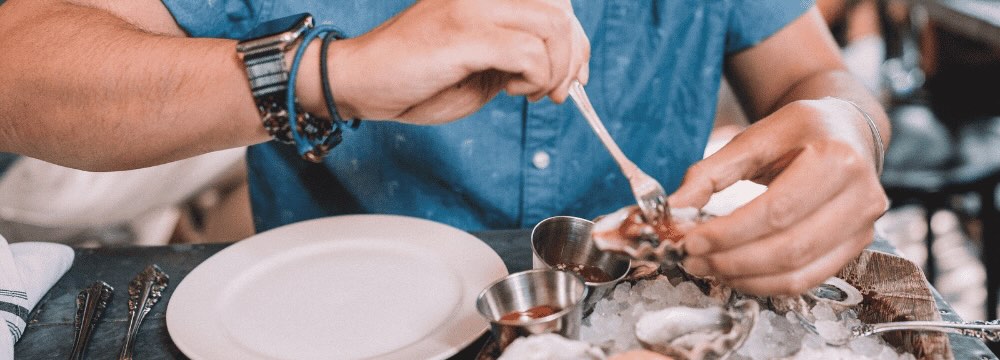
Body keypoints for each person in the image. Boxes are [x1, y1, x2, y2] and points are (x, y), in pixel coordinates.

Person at [0, 0, 890, 296]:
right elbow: (16, 69)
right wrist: (329, 72)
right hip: (332, 319)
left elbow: (818, 77)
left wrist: (851, 127)